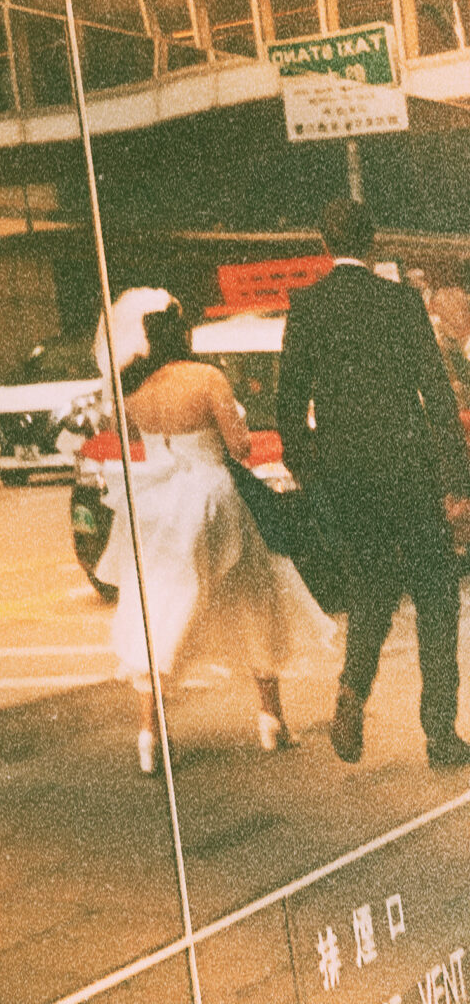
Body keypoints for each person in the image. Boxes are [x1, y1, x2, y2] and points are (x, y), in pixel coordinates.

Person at [277, 197, 470, 769]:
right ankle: (439, 732)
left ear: (325, 242)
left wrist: (312, 471)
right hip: (408, 468)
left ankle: (351, 693)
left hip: (348, 476)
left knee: (371, 591)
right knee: (436, 594)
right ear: (372, 239)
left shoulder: (307, 306)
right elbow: (436, 392)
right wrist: (456, 478)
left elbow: (291, 406)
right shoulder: (400, 302)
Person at [96, 298, 326, 775]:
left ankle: (149, 735)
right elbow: (240, 447)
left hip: (159, 502)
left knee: (158, 609)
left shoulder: (136, 394)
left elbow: (136, 442)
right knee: (256, 596)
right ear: (184, 336)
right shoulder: (207, 380)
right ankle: (271, 719)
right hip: (212, 496)